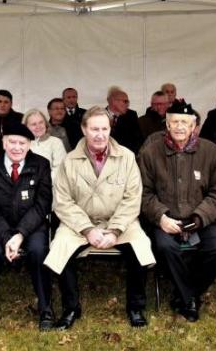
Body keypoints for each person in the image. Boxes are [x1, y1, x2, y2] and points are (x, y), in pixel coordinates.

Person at [44, 106, 155, 330]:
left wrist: (115, 230)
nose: (100, 134)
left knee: (140, 246)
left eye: (104, 128)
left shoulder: (126, 156)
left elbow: (133, 199)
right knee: (60, 248)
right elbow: (62, 201)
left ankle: (135, 306)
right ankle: (71, 308)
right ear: (84, 129)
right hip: (80, 223)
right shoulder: (69, 161)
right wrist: (87, 230)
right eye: (94, 128)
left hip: (120, 221)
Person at [139, 100, 216, 322]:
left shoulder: (210, 151)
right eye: (174, 122)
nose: (179, 126)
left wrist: (199, 217)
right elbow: (143, 192)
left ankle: (186, 294)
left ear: (193, 126)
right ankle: (190, 299)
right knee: (165, 247)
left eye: (184, 122)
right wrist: (160, 217)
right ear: (167, 125)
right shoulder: (151, 152)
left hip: (199, 218)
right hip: (165, 219)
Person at [0, 121, 53, 332]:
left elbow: (42, 204)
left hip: (32, 226)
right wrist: (6, 236)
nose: (17, 147)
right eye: (12, 142)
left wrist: (20, 234)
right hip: (0, 227)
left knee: (39, 251)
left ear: (29, 144)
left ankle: (46, 308)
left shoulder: (41, 165)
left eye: (22, 143)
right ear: (3, 142)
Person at [23, 108, 67, 181]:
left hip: (50, 187)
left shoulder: (55, 142)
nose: (38, 126)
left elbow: (60, 170)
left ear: (46, 124)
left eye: (41, 122)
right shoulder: (21, 144)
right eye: (34, 124)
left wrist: (40, 184)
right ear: (26, 127)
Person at [106, 86, 143, 154]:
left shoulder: (131, 115)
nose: (128, 104)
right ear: (113, 101)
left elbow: (138, 140)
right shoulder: (99, 115)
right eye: (125, 101)